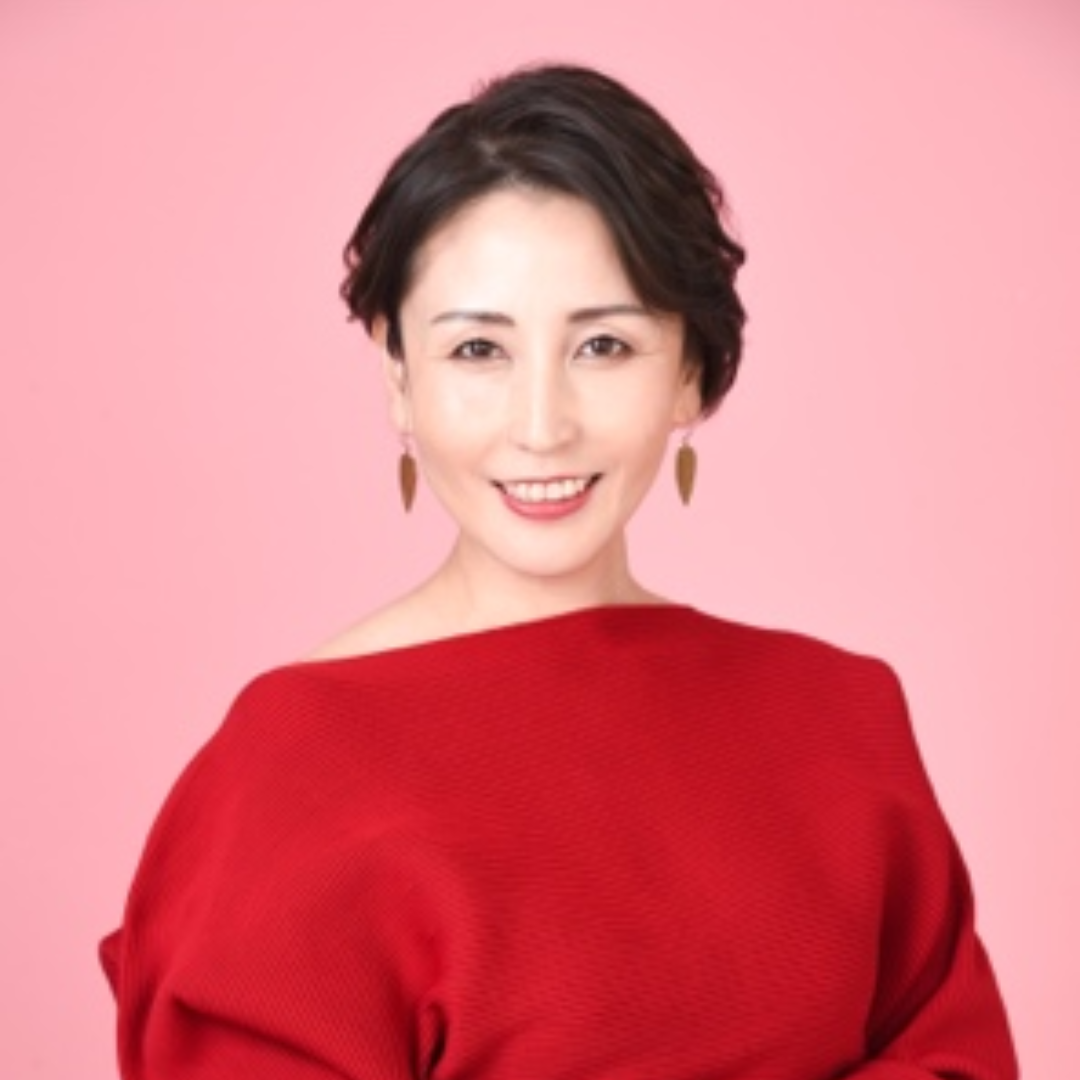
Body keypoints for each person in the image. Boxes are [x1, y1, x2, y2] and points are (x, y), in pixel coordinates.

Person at [100, 63, 1018, 1079]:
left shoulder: (840, 718)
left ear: (691, 373)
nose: (542, 426)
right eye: (477, 351)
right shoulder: (285, 771)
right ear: (398, 373)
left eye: (604, 346)